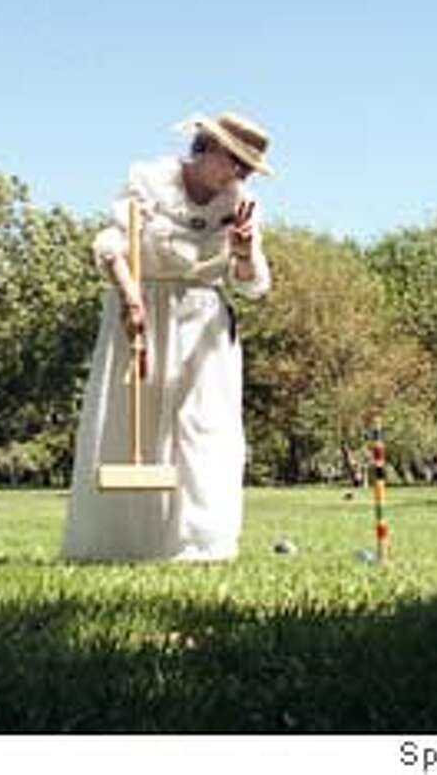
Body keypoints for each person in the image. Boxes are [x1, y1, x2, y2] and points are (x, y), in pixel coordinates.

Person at [62, 112, 273, 563]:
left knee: (201, 427)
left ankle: (198, 544)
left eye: (246, 169)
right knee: (134, 419)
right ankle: (123, 544)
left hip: (204, 328)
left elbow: (252, 282)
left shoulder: (240, 204)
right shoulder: (149, 182)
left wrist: (241, 252)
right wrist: (130, 299)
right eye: (234, 162)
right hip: (143, 310)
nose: (238, 174)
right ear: (207, 148)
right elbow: (111, 246)